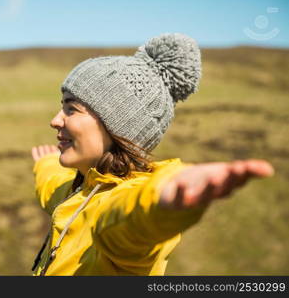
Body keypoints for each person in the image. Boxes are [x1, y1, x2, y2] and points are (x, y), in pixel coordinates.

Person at [30, 33, 274, 276]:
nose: (55, 120)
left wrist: (159, 201)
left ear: (116, 126)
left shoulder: (122, 200)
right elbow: (52, 184)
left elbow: (129, 222)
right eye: (62, 107)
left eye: (71, 109)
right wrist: (45, 163)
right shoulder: (76, 187)